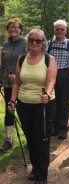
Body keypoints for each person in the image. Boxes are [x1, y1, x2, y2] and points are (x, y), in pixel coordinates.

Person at [8, 29, 57, 183]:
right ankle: (36, 167)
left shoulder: (49, 59)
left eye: (38, 40)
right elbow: (17, 82)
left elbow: (51, 81)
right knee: (31, 139)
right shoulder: (21, 59)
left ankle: (41, 177)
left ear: (43, 43)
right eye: (31, 40)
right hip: (24, 105)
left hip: (43, 105)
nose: (34, 43)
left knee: (42, 140)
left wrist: (47, 94)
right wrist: (12, 100)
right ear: (28, 42)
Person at [48, 19, 69, 139]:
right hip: (50, 75)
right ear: (54, 30)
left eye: (62, 29)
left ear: (65, 30)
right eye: (57, 29)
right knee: (51, 102)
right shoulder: (49, 43)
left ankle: (62, 128)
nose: (60, 31)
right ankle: (52, 127)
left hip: (65, 75)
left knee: (64, 102)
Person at [0, 18, 26, 152]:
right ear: (7, 30)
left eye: (16, 27)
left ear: (20, 29)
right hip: (7, 83)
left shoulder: (26, 43)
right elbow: (2, 64)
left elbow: (30, 62)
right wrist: (1, 79)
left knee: (24, 112)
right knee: (9, 111)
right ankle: (8, 140)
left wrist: (18, 75)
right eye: (10, 27)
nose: (13, 29)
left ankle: (29, 137)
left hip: (23, 84)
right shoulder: (6, 44)